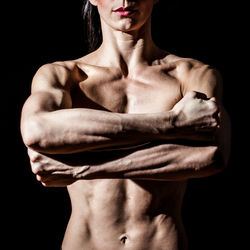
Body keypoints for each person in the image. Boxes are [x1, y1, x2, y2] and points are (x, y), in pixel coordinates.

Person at [20, 0, 231, 249]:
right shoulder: (64, 75)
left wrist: (82, 168)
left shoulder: (190, 74)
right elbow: (38, 130)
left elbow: (212, 155)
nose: (125, 0)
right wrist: (173, 123)